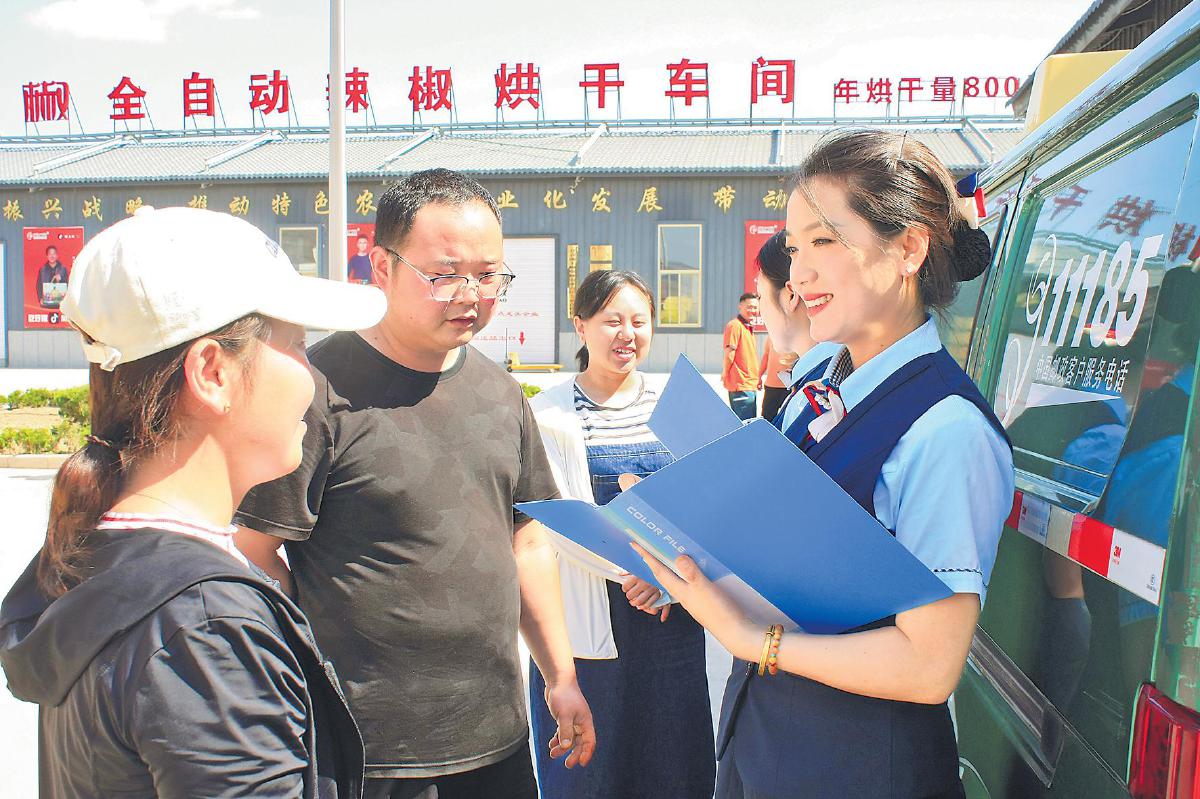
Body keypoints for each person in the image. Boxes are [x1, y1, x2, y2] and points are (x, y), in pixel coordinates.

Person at [634, 130, 1015, 798]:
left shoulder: (946, 430)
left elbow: (929, 665)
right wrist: (684, 560)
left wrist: (755, 641)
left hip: (858, 769)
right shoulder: (820, 381)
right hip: (764, 743)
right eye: (793, 247)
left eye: (825, 241)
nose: (799, 273)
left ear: (909, 248)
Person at [0, 206, 386, 798]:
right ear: (212, 371)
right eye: (297, 345)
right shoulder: (206, 629)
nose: (316, 381)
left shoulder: (104, 558)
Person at [233, 168, 595, 799]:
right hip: (367, 754)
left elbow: (528, 541)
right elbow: (256, 552)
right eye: (445, 274)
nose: (470, 295)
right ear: (381, 267)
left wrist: (560, 676)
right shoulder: (316, 391)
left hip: (495, 737)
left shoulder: (502, 394)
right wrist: (306, 679)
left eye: (488, 276)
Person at [528, 269, 715, 798]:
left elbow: (712, 501)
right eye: (612, 321)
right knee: (590, 770)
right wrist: (639, 568)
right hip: (585, 619)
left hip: (671, 616)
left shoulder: (677, 403)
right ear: (580, 325)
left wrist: (667, 577)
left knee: (673, 765)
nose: (627, 334)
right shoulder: (546, 413)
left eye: (639, 321)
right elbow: (551, 522)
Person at [752, 230, 840, 425]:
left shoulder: (816, 397)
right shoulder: (839, 372)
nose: (759, 310)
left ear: (791, 295)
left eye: (760, 296)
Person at [722, 292, 760, 420]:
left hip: (749, 385)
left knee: (749, 423)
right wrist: (725, 373)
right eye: (749, 307)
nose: (752, 310)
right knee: (745, 424)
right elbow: (730, 353)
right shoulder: (734, 325)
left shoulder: (748, 327)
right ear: (740, 307)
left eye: (755, 307)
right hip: (741, 386)